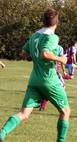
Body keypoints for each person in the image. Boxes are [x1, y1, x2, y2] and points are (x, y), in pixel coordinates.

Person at [0, 8, 70, 142]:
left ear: (43, 21)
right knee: (65, 111)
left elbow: (23, 52)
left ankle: (2, 132)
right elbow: (45, 53)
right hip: (49, 80)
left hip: (34, 80)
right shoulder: (52, 37)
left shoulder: (34, 36)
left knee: (24, 113)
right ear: (56, 22)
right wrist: (61, 59)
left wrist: (35, 55)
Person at [39, 45, 66, 111]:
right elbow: (62, 60)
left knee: (49, 88)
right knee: (62, 87)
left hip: (47, 71)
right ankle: (61, 104)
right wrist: (64, 70)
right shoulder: (60, 48)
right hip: (54, 72)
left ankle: (41, 104)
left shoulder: (47, 47)